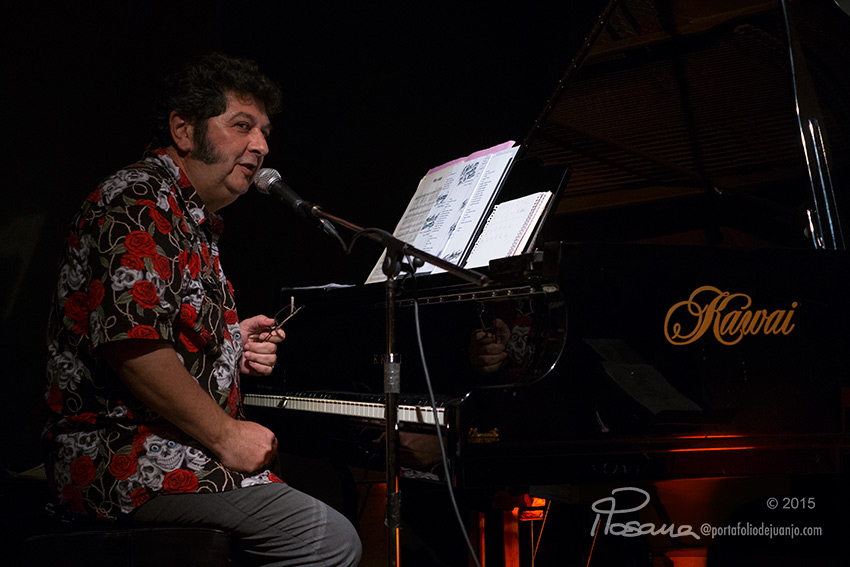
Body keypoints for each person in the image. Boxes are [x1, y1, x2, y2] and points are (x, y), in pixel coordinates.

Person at [42, 52, 361, 566]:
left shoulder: (187, 214)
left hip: (170, 447)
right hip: (121, 456)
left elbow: (161, 325)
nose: (261, 146)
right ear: (184, 131)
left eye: (264, 132)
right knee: (324, 539)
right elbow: (132, 345)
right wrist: (227, 434)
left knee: (326, 484)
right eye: (242, 126)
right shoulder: (138, 203)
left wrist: (232, 342)